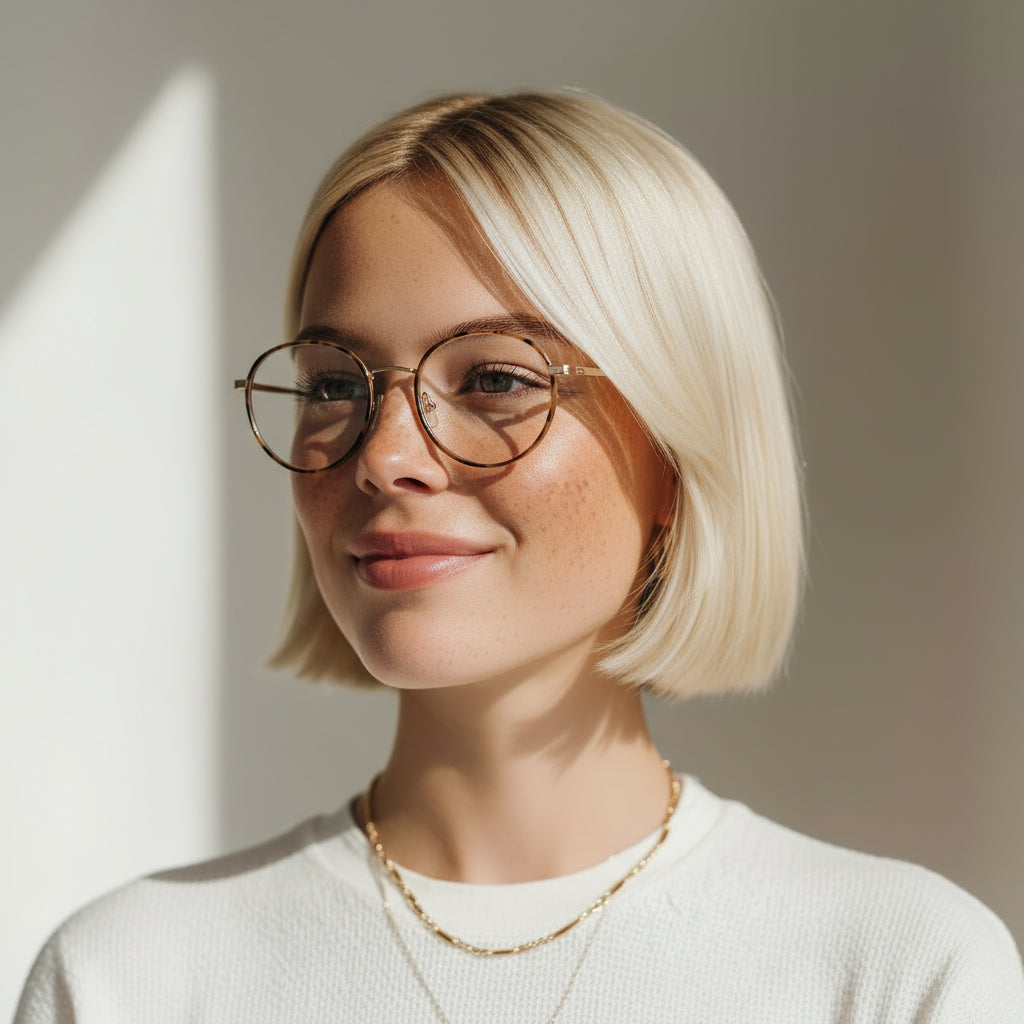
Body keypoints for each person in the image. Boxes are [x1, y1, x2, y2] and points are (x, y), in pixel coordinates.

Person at [15, 91, 1024, 1023]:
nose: (386, 455)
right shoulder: (129, 979)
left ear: (675, 452)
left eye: (494, 378)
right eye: (335, 385)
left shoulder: (900, 972)